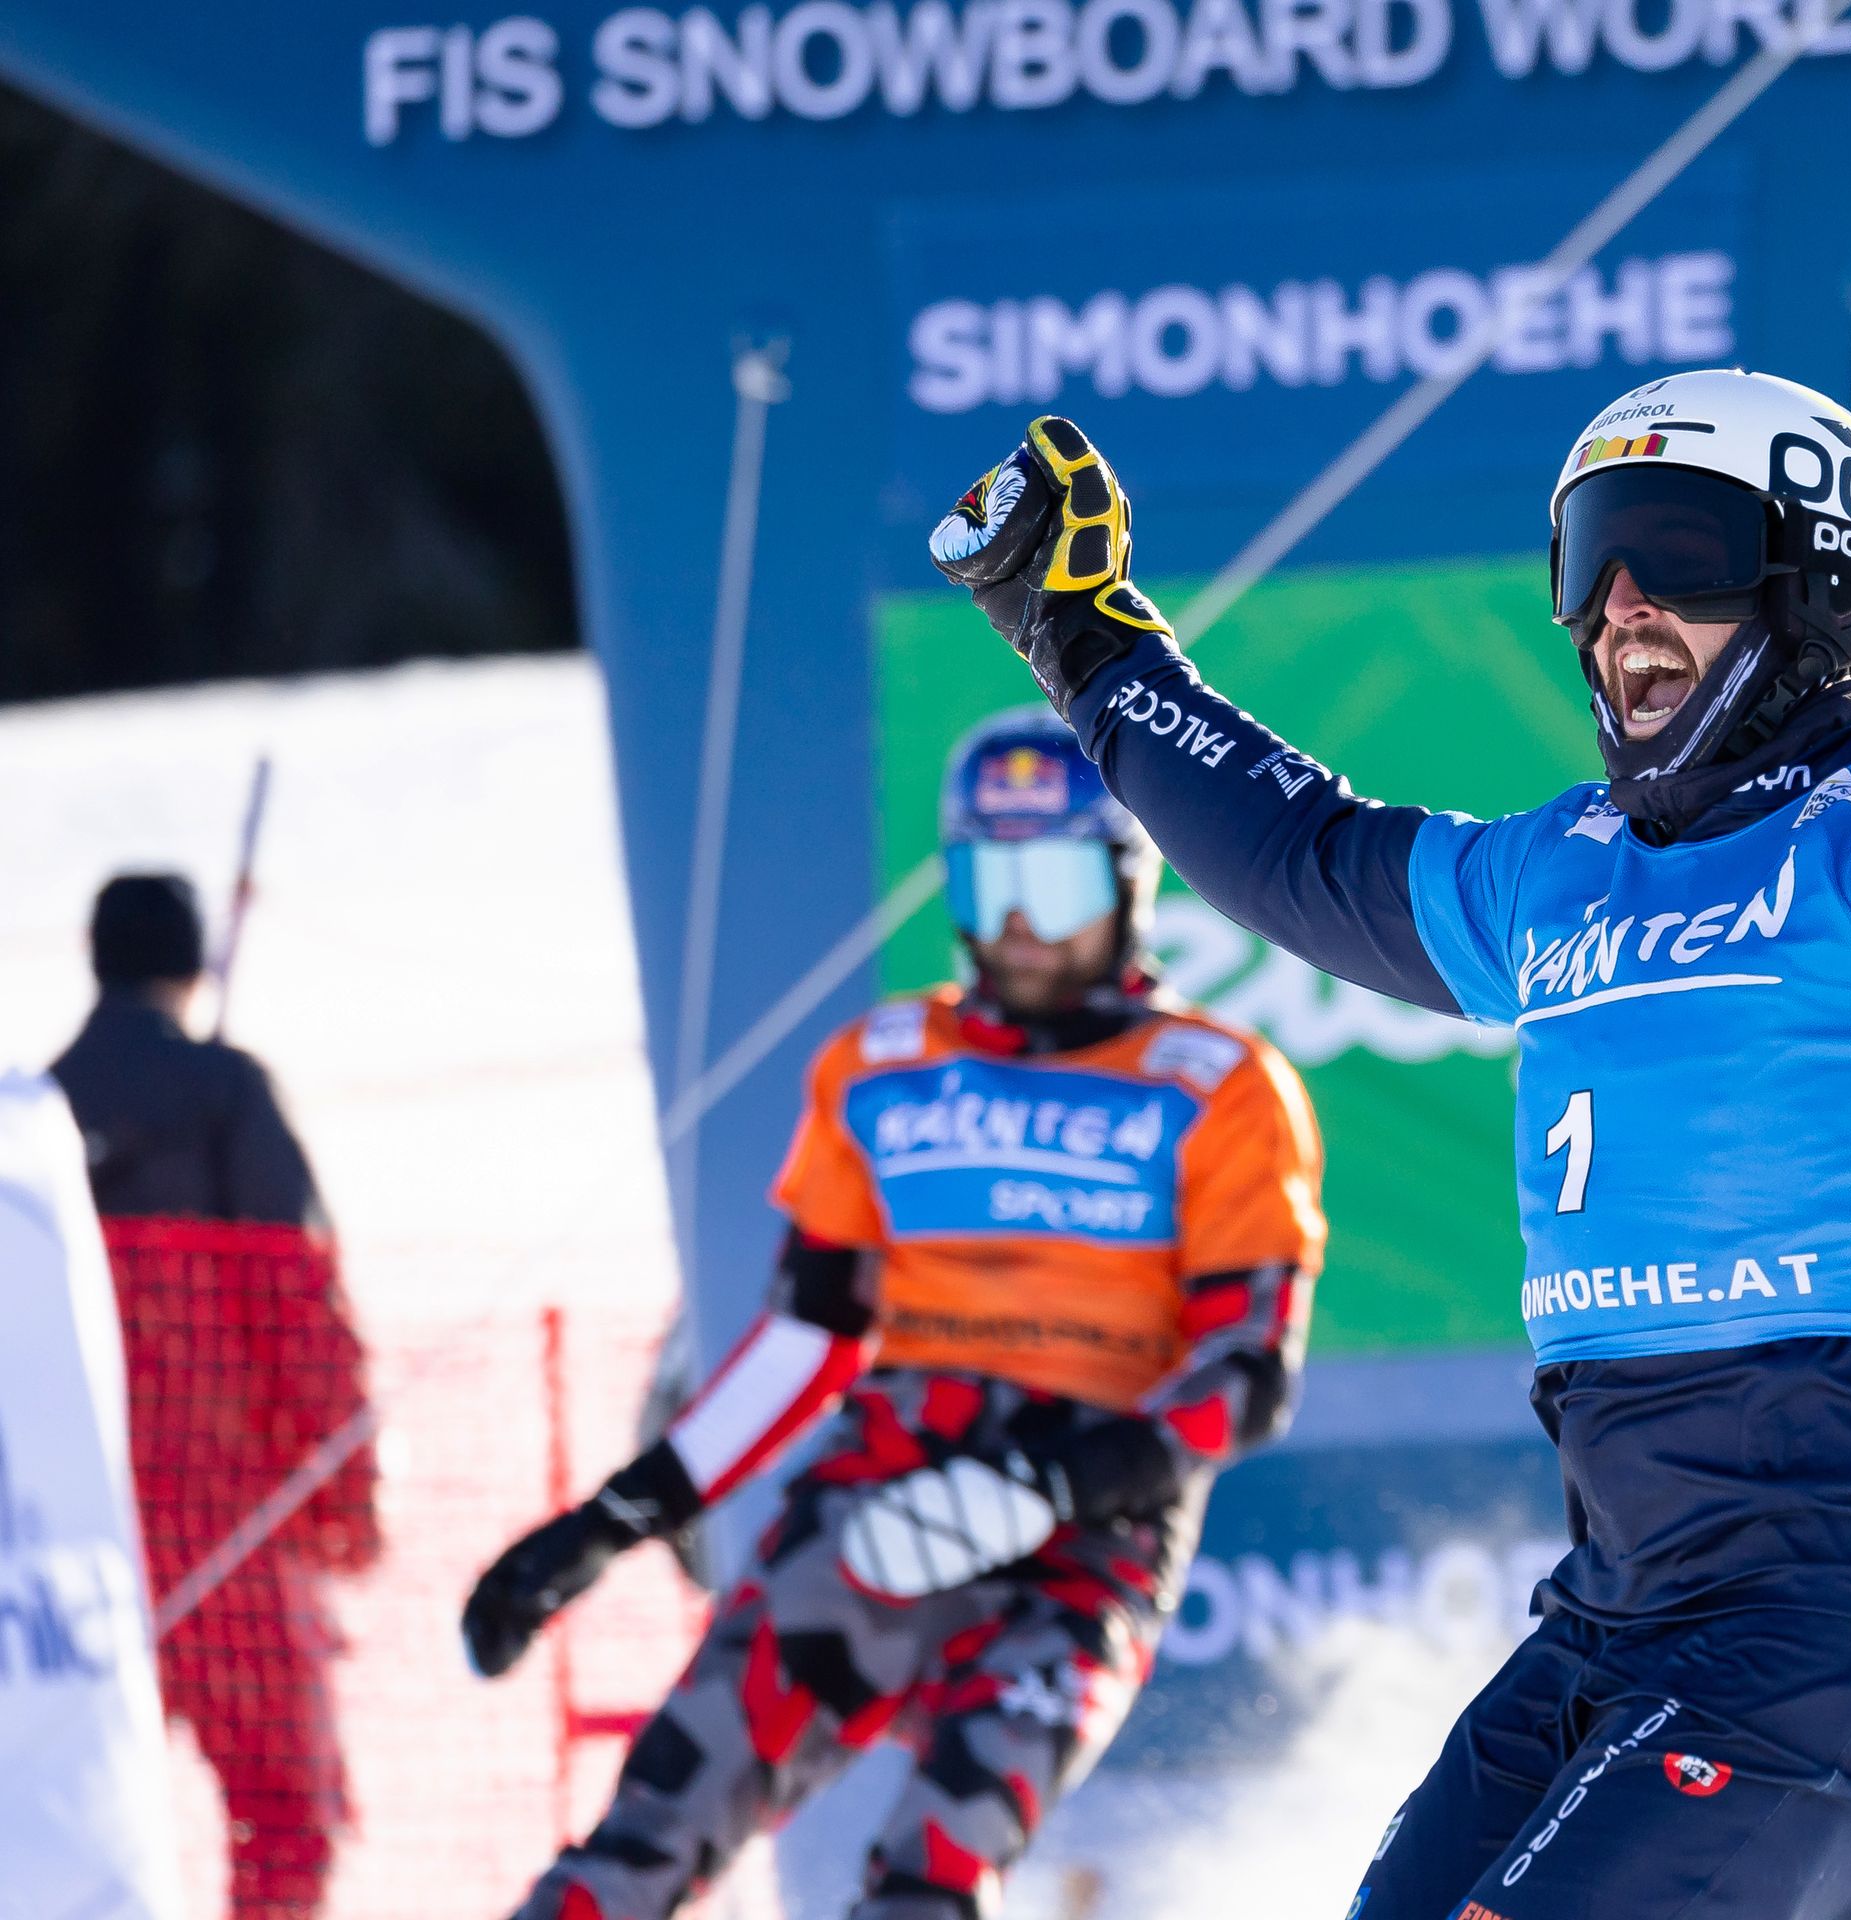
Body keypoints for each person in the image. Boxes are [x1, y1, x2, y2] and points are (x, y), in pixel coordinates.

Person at [927, 358, 1851, 1917]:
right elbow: (1304, 857)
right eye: (1590, 556)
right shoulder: (1568, 871)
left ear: (1818, 583)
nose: (1619, 608)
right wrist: (1080, 629)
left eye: (1678, 554)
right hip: (1622, 1606)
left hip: (1836, 1617)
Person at [464, 708, 1328, 1920]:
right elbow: (807, 1338)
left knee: (928, 1882)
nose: (1021, 923)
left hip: (1089, 1530)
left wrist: (1048, 1487)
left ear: (1128, 885)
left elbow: (1246, 1377)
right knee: (644, 1839)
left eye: (1056, 881)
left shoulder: (1221, 1086)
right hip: (883, 1481)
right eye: (990, 881)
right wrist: (618, 1516)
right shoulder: (881, 1062)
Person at [54, 870, 377, 1920]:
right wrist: (345, 1493)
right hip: (229, 1517)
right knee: (285, 1805)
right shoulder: (227, 1092)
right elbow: (300, 1301)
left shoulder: (35, 1112)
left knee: (72, 1809)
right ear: (195, 964)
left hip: (73, 1538)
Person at [52, 871, 320, 1229]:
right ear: (194, 970)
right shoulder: (229, 1084)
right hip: (204, 1283)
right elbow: (294, 1237)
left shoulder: (40, 1098)